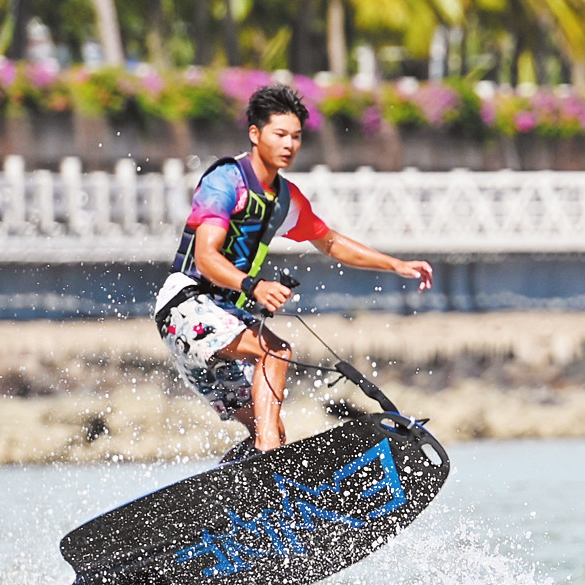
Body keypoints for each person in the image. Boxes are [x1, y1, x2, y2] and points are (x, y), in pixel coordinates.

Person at [154, 84, 434, 458]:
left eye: (297, 136)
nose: (289, 144)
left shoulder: (286, 199)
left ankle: (245, 490)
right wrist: (252, 286)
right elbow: (205, 257)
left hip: (222, 319)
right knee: (277, 352)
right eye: (280, 134)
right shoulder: (225, 181)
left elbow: (330, 242)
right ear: (255, 134)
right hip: (185, 306)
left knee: (269, 428)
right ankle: (267, 453)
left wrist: (395, 264)